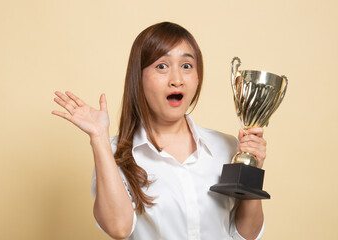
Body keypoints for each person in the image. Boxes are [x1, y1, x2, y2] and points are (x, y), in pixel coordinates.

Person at [52, 22, 267, 240]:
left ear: (198, 76)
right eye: (162, 66)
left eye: (186, 66)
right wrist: (99, 138)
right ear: (139, 78)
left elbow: (246, 235)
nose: (177, 80)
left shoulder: (228, 147)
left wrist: (252, 168)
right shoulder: (115, 154)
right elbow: (119, 228)